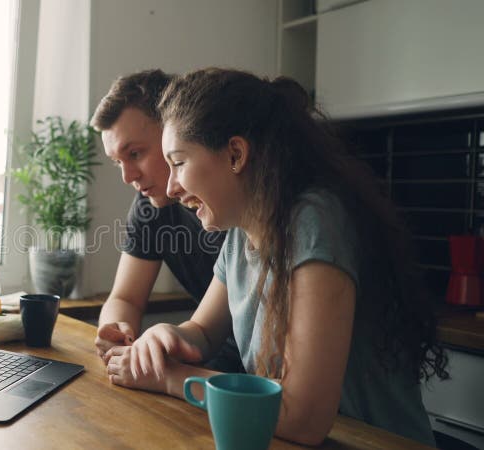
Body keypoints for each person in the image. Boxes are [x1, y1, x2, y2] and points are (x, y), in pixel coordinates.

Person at [103, 68, 448, 446]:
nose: (171, 185)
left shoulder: (313, 221)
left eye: (180, 163)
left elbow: (302, 417)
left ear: (235, 153)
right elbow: (201, 333)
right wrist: (167, 336)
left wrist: (171, 379)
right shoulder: (239, 233)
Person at [90, 69, 242, 372]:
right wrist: (116, 331)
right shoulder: (150, 207)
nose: (127, 176)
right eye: (118, 162)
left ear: (175, 131)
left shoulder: (236, 204)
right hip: (213, 355)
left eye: (135, 153)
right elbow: (125, 298)